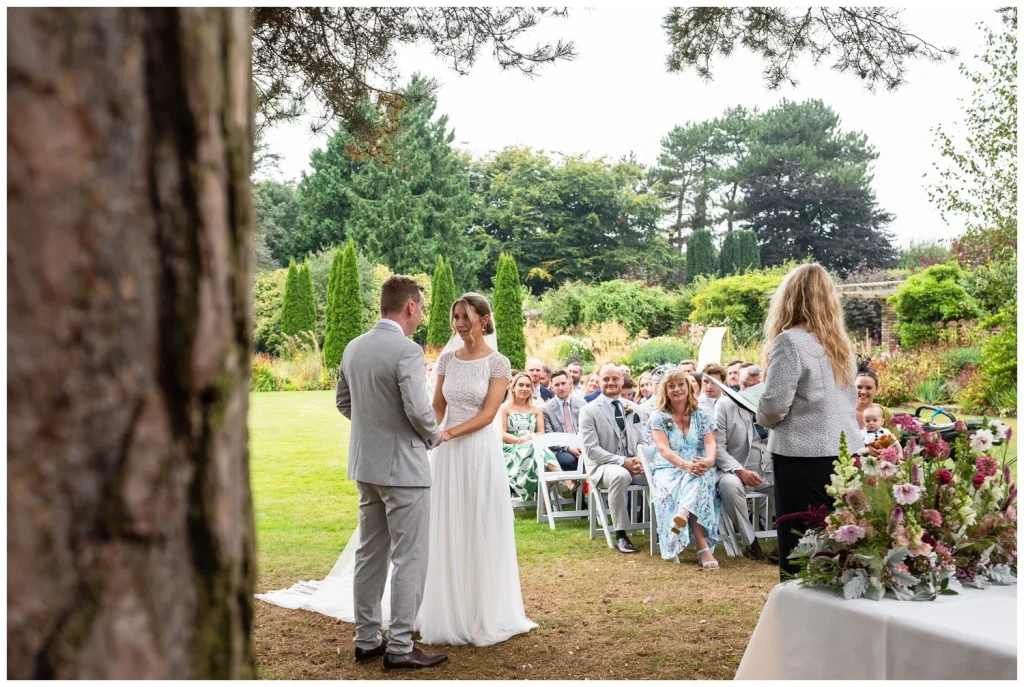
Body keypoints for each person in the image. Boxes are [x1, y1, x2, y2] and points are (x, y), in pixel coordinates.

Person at [258, 289, 537, 657]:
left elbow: (346, 403)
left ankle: (369, 639)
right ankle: (402, 645)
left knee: (373, 552)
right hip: (420, 460)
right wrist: (432, 435)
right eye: (451, 316)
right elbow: (427, 412)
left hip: (423, 459)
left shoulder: (354, 346)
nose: (456, 323)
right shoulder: (420, 354)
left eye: (464, 317)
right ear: (410, 306)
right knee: (412, 554)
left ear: (483, 320)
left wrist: (403, 433)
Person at [757, 264, 863, 579]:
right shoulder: (839, 343)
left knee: (800, 543)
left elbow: (774, 406)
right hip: (845, 453)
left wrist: (760, 412)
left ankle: (796, 616)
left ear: (788, 298)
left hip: (801, 457)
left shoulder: (790, 341)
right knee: (840, 539)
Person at [647, 369, 721, 569]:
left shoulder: (702, 414)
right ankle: (703, 547)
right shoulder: (658, 417)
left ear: (689, 388)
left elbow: (711, 444)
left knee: (699, 477)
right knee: (696, 481)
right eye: (671, 386)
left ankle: (683, 512)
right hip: (669, 467)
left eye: (681, 385)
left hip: (698, 464)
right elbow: (663, 449)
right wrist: (685, 465)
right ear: (665, 391)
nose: (677, 389)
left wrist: (709, 461)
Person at [579, 362, 651, 554]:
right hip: (602, 467)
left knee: (657, 474)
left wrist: (639, 459)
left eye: (615, 379)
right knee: (620, 475)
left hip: (632, 464)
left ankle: (663, 527)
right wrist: (622, 462)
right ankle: (621, 534)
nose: (611, 383)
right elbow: (591, 450)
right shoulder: (589, 410)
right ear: (599, 381)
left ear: (622, 381)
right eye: (606, 379)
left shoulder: (634, 408)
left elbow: (643, 440)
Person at [714, 369, 777, 563]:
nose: (746, 390)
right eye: (743, 385)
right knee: (729, 486)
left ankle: (786, 540)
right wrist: (740, 471)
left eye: (753, 386)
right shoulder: (724, 405)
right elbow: (717, 448)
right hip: (733, 470)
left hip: (767, 471)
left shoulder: (773, 406)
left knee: (791, 482)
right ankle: (750, 541)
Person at [502, 372, 564, 500]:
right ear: (513, 387)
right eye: (521, 385)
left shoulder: (536, 409)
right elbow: (502, 433)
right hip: (511, 448)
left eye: (528, 386)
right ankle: (562, 477)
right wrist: (521, 440)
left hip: (533, 445)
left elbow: (541, 432)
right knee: (538, 449)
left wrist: (529, 438)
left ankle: (544, 505)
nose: (524, 389)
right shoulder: (504, 408)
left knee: (537, 451)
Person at [542, 369, 585, 472]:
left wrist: (581, 447)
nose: (561, 388)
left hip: (582, 446)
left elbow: (587, 429)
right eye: (557, 385)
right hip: (560, 449)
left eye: (563, 383)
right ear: (551, 387)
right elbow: (549, 436)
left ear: (569, 384)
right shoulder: (545, 409)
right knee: (568, 461)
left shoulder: (582, 404)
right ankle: (572, 487)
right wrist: (569, 448)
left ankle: (588, 487)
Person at [855, 366, 901, 443]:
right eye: (859, 387)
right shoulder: (845, 412)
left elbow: (894, 443)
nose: (863, 392)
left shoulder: (886, 413)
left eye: (868, 388)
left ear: (876, 389)